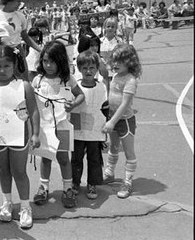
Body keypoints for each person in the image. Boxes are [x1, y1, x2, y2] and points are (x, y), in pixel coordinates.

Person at [0, 45, 40, 230]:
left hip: (18, 135)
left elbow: (34, 110)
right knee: (4, 169)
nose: (2, 70)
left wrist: (36, 133)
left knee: (19, 171)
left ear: (15, 65)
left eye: (6, 66)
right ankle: (7, 202)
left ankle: (25, 207)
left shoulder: (24, 86)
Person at [31, 41, 85, 208]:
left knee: (63, 158)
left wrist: (74, 104)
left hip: (62, 125)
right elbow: (31, 104)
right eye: (45, 61)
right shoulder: (37, 80)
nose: (48, 65)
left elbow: (80, 95)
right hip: (43, 127)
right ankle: (43, 187)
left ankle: (67, 188)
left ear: (60, 60)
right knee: (45, 158)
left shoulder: (67, 79)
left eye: (52, 61)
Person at [102, 43, 142, 199]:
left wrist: (112, 122)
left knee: (129, 152)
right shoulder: (116, 77)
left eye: (120, 61)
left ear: (130, 63)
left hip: (125, 121)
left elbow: (125, 103)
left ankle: (127, 182)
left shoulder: (130, 80)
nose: (115, 64)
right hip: (113, 117)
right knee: (113, 147)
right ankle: (109, 172)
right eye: (114, 60)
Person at [70, 50, 108, 199]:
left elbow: (105, 108)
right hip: (78, 130)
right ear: (79, 69)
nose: (88, 71)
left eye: (92, 68)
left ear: (97, 69)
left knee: (94, 159)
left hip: (95, 131)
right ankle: (75, 182)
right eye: (84, 68)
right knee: (76, 158)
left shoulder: (102, 87)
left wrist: (106, 131)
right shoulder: (76, 87)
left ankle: (92, 184)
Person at [0, 0, 39, 80]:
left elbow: (25, 37)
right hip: (0, 54)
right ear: (9, 0)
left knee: (23, 81)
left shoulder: (20, 17)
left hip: (17, 51)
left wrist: (40, 50)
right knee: (1, 82)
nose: (20, 4)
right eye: (18, 1)